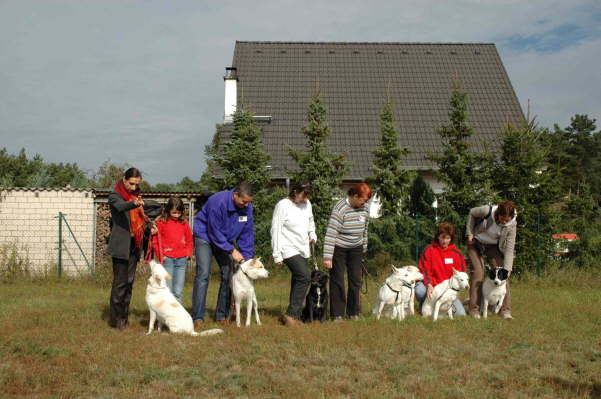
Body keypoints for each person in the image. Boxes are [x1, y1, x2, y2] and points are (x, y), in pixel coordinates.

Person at [191, 182, 255, 328]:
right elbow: (213, 231)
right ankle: (198, 317)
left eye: (249, 202)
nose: (246, 205)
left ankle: (222, 315)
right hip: (205, 237)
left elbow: (247, 234)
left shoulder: (247, 208)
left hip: (224, 240)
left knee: (228, 274)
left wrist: (247, 258)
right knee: (203, 274)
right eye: (244, 201)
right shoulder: (217, 201)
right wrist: (232, 250)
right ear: (235, 195)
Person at [107, 167, 148, 330]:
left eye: (136, 184)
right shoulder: (114, 195)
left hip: (134, 245)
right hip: (120, 246)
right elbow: (121, 207)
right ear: (124, 180)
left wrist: (149, 225)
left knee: (129, 283)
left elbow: (141, 218)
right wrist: (134, 203)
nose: (134, 187)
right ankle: (115, 320)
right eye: (131, 184)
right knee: (120, 283)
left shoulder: (137, 196)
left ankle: (124, 318)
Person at [323, 183, 372, 321]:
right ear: (355, 196)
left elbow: (365, 229)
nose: (364, 203)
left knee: (356, 280)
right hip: (339, 247)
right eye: (363, 200)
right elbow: (331, 233)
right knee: (337, 280)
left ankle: (353, 312)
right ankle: (337, 314)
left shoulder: (365, 208)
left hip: (356, 248)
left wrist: (364, 248)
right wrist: (327, 257)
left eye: (366, 201)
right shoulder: (340, 208)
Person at [271, 183, 317, 327]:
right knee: (304, 276)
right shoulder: (282, 205)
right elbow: (275, 229)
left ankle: (294, 316)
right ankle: (291, 315)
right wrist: (276, 254)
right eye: (304, 195)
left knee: (298, 280)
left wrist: (312, 233)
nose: (305, 199)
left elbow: (310, 220)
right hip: (287, 247)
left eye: (307, 196)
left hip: (302, 248)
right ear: (295, 191)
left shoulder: (307, 203)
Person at [466, 200, 517, 319]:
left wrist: (508, 268)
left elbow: (510, 249)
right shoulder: (486, 210)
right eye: (502, 218)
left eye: (507, 220)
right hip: (475, 241)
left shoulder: (512, 225)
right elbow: (472, 213)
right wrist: (469, 233)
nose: (504, 222)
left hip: (493, 246)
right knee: (478, 272)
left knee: (503, 274)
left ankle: (505, 311)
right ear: (497, 213)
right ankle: (474, 309)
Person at [416, 222, 467, 316]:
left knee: (461, 314)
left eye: (447, 238)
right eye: (442, 237)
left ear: (451, 239)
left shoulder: (457, 253)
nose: (444, 241)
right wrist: (429, 284)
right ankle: (425, 306)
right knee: (420, 291)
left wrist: (453, 292)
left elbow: (462, 275)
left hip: (448, 290)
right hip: (432, 286)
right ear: (438, 237)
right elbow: (424, 269)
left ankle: (443, 308)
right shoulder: (429, 249)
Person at [151, 197, 193, 303]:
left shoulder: (184, 223)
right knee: (167, 290)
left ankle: (177, 317)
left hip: (181, 260)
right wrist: (162, 255)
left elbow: (189, 240)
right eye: (174, 212)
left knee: (178, 291)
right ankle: (165, 317)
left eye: (179, 213)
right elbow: (155, 241)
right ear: (168, 210)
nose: (176, 215)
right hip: (167, 260)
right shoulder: (161, 222)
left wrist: (188, 253)